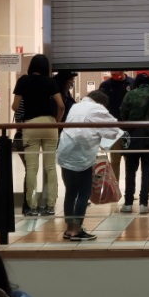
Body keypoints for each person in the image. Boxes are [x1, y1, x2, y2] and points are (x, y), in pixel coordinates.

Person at [56, 89, 123, 241]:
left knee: (70, 192)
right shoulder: (97, 108)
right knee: (83, 193)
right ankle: (76, 230)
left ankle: (68, 229)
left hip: (64, 152)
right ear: (101, 103)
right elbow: (113, 130)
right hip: (81, 155)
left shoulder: (76, 106)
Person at [12, 54, 64, 217]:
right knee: (50, 167)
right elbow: (61, 105)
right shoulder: (51, 82)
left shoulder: (23, 81)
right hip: (49, 124)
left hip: (31, 125)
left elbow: (14, 106)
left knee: (32, 169)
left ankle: (32, 206)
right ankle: (50, 206)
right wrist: (56, 122)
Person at [119, 73, 149, 214]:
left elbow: (123, 115)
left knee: (130, 171)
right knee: (147, 171)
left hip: (133, 138)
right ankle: (143, 204)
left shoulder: (130, 95)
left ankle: (128, 203)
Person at [98, 69, 134, 183]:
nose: (113, 74)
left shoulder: (132, 83)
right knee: (115, 160)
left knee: (130, 160)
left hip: (130, 127)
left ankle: (129, 190)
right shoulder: (105, 85)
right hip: (113, 128)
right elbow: (100, 107)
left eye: (116, 72)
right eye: (111, 72)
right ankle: (114, 189)